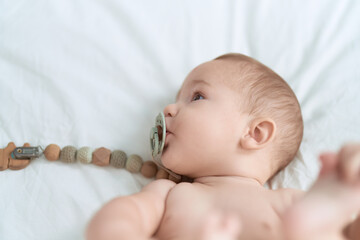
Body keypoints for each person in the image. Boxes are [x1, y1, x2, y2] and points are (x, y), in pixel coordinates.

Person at [86, 53, 360, 240]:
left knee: (323, 228)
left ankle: (330, 209)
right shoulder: (168, 193)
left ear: (254, 133)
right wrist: (118, 229)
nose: (169, 109)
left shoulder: (287, 200)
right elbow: (128, 213)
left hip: (297, 221)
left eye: (197, 96)